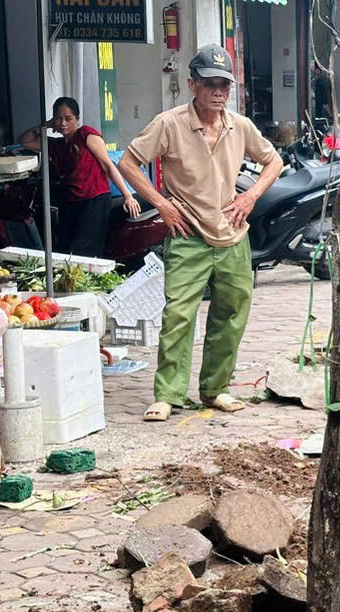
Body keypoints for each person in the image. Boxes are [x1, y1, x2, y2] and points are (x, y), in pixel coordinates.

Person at [117, 44, 283, 422]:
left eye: (224, 84)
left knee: (231, 315)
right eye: (210, 83)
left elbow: (274, 160)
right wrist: (160, 203)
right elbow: (128, 162)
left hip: (233, 236)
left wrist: (252, 196)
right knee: (178, 315)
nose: (218, 91)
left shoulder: (239, 126)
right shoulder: (169, 123)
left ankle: (215, 389)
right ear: (192, 84)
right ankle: (168, 394)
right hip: (187, 234)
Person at [19, 97, 140, 258]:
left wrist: (127, 196)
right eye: (58, 118)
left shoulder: (86, 134)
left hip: (94, 200)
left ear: (77, 118)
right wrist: (47, 124)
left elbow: (108, 165)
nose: (63, 123)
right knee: (64, 249)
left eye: (68, 118)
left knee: (84, 252)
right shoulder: (56, 146)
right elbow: (23, 141)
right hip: (71, 203)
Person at [311, 62, 333, 126]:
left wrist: (329, 113)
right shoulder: (316, 82)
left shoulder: (321, 82)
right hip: (317, 107)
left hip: (320, 108)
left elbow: (324, 100)